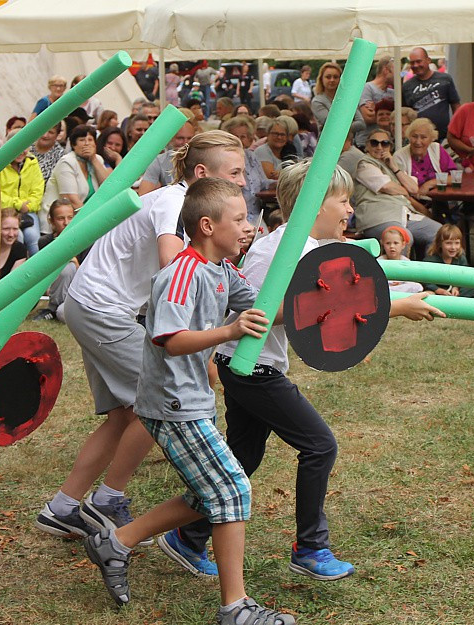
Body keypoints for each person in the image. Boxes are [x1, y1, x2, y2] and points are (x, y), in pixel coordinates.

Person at [161, 165, 443, 583]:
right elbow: (263, 310)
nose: (349, 209)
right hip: (249, 367)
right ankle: (310, 547)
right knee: (319, 445)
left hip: (251, 364)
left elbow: (345, 291)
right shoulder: (283, 250)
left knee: (243, 457)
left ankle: (188, 536)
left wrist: (397, 293)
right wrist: (395, 308)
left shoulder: (306, 246)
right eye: (343, 201)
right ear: (315, 204)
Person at [83, 177, 297, 625]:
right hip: (172, 404)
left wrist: (316, 306)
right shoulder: (181, 273)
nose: (248, 227)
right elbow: (170, 338)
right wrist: (228, 331)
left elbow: (264, 311)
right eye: (239, 219)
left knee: (208, 494)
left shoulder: (222, 270)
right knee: (232, 489)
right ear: (207, 226)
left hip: (192, 399)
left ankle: (115, 543)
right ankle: (235, 608)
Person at [34, 131, 246, 541]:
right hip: (102, 308)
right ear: (202, 173)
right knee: (158, 403)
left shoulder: (178, 201)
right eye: (234, 172)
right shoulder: (174, 202)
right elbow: (172, 263)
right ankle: (107, 499)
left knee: (125, 415)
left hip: (92, 305)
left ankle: (62, 507)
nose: (242, 181)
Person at [338, 130, 441, 258]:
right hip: (378, 218)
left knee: (438, 232)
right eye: (374, 143)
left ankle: (427, 269)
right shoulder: (364, 164)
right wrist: (405, 190)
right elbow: (387, 187)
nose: (379, 147)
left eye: (384, 143)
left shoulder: (393, 165)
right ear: (367, 146)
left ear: (390, 147)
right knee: (401, 237)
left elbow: (414, 189)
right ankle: (399, 272)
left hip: (404, 214)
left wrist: (395, 168)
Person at [0, 129, 44, 255]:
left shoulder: (32, 163)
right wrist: (18, 204)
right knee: (18, 236)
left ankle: (39, 267)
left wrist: (28, 207)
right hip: (4, 212)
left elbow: (38, 191)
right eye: (17, 147)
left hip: (27, 211)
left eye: (25, 147)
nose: (21, 151)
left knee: (33, 236)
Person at [41, 125, 110, 222]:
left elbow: (108, 188)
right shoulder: (67, 162)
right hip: (60, 219)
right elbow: (71, 201)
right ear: (74, 145)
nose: (87, 144)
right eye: (82, 140)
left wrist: (94, 159)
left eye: (90, 140)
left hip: (86, 216)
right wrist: (92, 220)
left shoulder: (98, 159)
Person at [33, 199, 80, 322]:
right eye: (60, 219)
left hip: (79, 291)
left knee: (69, 267)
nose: (66, 223)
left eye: (70, 218)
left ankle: (53, 310)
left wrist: (74, 261)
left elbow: (88, 275)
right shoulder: (45, 242)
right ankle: (54, 309)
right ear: (52, 221)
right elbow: (44, 273)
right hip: (55, 288)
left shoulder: (85, 240)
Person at [222, 115, 274, 223]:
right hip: (232, 216)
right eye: (235, 136)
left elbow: (263, 183)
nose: (238, 140)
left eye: (243, 136)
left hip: (255, 215)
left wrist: (282, 182)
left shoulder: (251, 156)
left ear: (250, 139)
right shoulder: (223, 159)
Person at [402, 47, 461, 141]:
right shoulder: (406, 86)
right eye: (412, 63)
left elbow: (456, 105)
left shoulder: (445, 79)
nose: (415, 65)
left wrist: (457, 129)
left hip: (443, 137)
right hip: (418, 140)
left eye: (419, 61)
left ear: (428, 60)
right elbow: (404, 114)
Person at [393, 118, 458, 194]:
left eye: (423, 137)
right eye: (414, 136)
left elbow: (455, 178)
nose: (418, 142)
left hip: (439, 196)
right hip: (412, 199)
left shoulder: (436, 149)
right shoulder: (399, 156)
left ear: (431, 139)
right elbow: (400, 188)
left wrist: (430, 183)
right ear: (409, 137)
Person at [137, 120, 196, 195]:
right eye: (180, 138)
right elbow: (144, 195)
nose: (185, 143)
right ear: (171, 138)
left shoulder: (203, 158)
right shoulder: (159, 161)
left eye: (190, 138)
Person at [311, 62, 366, 135]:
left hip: (349, 141)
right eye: (328, 77)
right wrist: (350, 123)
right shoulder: (317, 101)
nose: (332, 80)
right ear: (321, 79)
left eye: (335, 77)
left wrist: (340, 126)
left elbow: (361, 124)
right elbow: (332, 126)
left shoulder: (347, 99)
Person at [422, 224, 474, 297]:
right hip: (438, 290)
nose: (453, 247)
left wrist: (456, 287)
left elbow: (463, 276)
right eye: (448, 243)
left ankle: (459, 300)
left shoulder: (461, 258)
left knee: (470, 284)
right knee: (429, 294)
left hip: (454, 290)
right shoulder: (431, 260)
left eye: (457, 243)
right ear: (440, 244)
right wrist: (437, 289)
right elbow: (425, 279)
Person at [357, 57, 395, 147]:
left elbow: (399, 117)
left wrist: (376, 108)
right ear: (386, 70)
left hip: (387, 143)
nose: (399, 75)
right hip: (367, 143)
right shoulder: (367, 88)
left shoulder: (393, 93)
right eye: (396, 71)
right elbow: (367, 117)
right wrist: (389, 113)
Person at [379, 225, 424, 293]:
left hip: (401, 286)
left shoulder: (406, 261)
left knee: (417, 286)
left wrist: (400, 283)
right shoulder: (380, 261)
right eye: (388, 243)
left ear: (403, 245)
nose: (392, 246)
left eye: (396, 243)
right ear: (383, 244)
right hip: (387, 287)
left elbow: (410, 279)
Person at [254, 115, 300, 179]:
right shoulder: (262, 151)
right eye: (275, 134)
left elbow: (297, 173)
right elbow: (271, 176)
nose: (279, 137)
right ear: (267, 134)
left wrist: (281, 174)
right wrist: (287, 174)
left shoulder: (290, 150)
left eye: (282, 134)